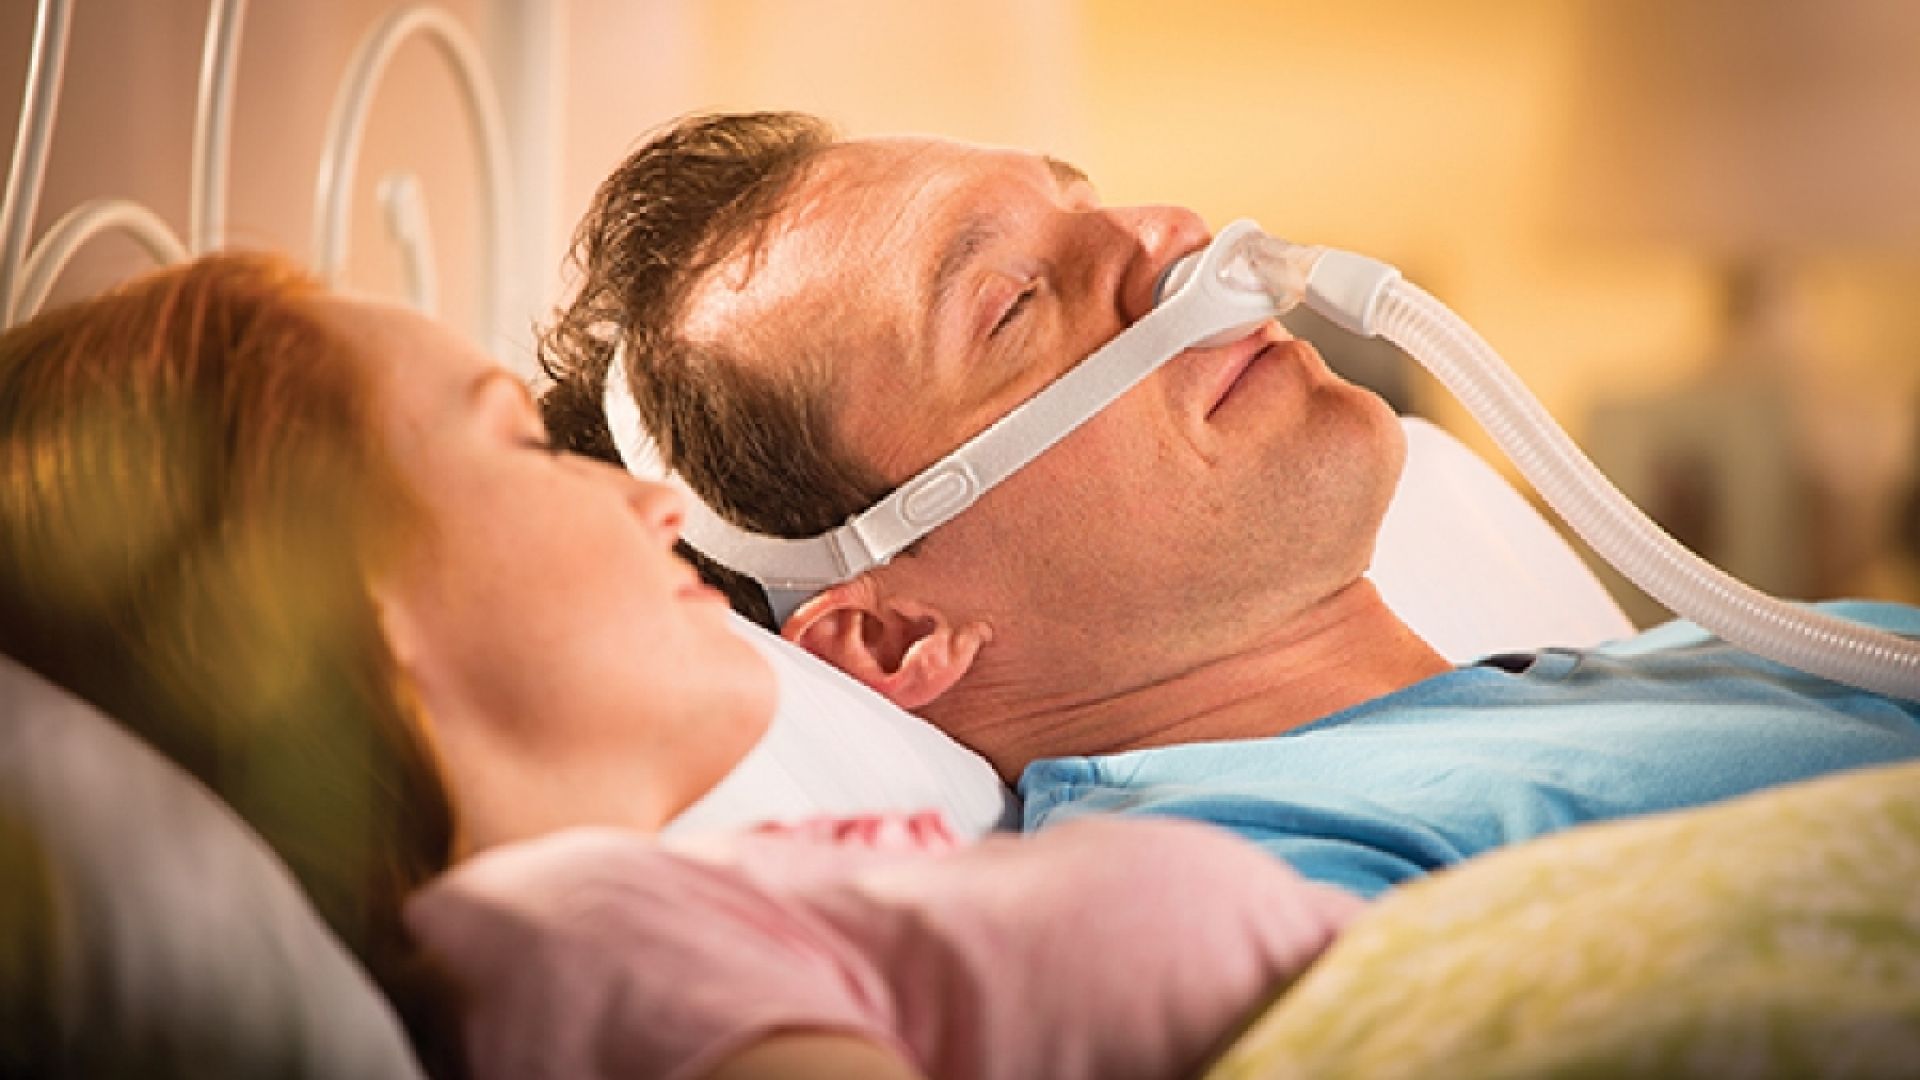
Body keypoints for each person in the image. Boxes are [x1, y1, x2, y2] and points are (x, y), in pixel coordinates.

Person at [0, 253, 1361, 1079]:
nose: (653, 509)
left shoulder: (713, 890)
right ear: (315, 596)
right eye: (521, 448)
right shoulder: (569, 939)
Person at [540, 110, 1920, 900]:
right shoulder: (1241, 891)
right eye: (1013, 301)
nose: (1167, 240)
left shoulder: (1745, 653)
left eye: (1084, 203)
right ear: (899, 635)